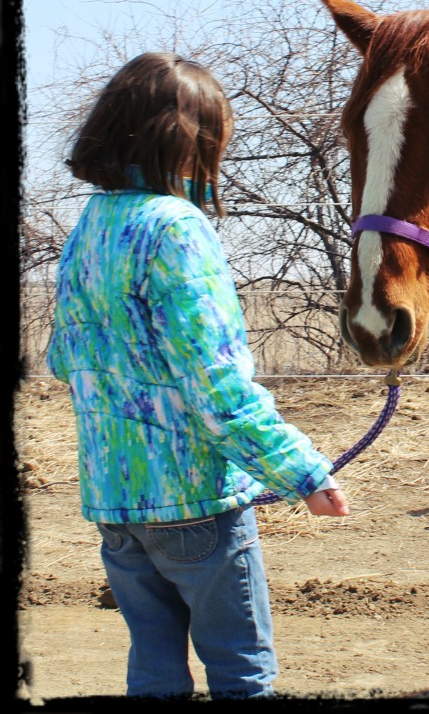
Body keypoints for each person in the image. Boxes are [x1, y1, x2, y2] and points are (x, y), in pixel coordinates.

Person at [46, 52, 349, 699]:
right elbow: (216, 386)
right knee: (242, 673)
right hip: (196, 506)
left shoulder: (90, 226)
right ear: (187, 143)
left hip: (117, 504)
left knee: (153, 671)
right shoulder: (176, 228)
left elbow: (65, 360)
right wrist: (303, 472)